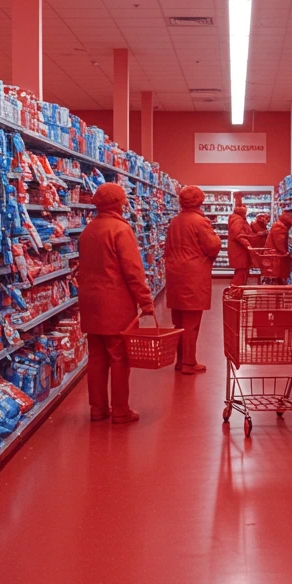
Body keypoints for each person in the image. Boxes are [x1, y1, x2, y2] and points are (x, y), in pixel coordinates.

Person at [76, 182, 154, 424]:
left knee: (97, 357)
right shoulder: (120, 230)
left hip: (90, 302)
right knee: (120, 357)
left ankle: (97, 409)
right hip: (115, 302)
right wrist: (146, 302)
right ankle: (121, 410)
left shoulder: (88, 230)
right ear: (119, 203)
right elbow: (133, 271)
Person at [163, 185, 222, 374]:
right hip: (193, 275)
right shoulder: (200, 222)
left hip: (175, 275)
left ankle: (180, 360)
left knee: (179, 322)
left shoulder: (174, 222)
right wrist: (218, 238)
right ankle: (189, 362)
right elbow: (212, 247)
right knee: (191, 322)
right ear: (200, 201)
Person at [265, 207, 292, 282]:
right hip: (274, 257)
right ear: (287, 217)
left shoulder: (281, 225)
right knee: (277, 277)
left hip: (273, 256)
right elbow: (280, 244)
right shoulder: (280, 227)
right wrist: (286, 254)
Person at [226, 202, 253, 286]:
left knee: (241, 273)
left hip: (240, 251)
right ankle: (235, 294)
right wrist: (248, 245)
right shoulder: (238, 220)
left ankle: (237, 293)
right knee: (240, 275)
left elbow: (245, 232)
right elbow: (239, 235)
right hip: (240, 252)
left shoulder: (240, 219)